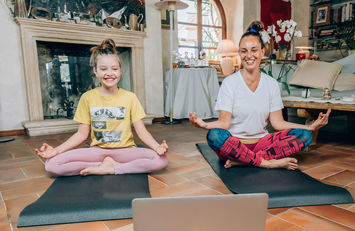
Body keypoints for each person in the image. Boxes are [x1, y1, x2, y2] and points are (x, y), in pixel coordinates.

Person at [189, 21, 331, 170]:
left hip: (262, 144)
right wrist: (205, 125)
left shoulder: (271, 84)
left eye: (254, 50)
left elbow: (277, 123)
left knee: (305, 136)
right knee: (214, 136)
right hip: (234, 145)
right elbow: (224, 123)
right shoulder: (229, 83)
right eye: (244, 51)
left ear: (262, 52)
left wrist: (309, 127)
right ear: (240, 53)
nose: (249, 55)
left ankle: (245, 161)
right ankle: (266, 162)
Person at [35, 39, 168, 176]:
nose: (109, 73)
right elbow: (81, 134)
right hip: (97, 151)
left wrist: (157, 147)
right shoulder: (87, 97)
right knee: (51, 164)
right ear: (96, 71)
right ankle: (103, 165)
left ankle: (114, 168)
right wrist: (56, 150)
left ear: (120, 71)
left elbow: (142, 132)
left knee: (161, 160)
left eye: (114, 69)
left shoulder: (130, 97)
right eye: (103, 69)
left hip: (125, 151)